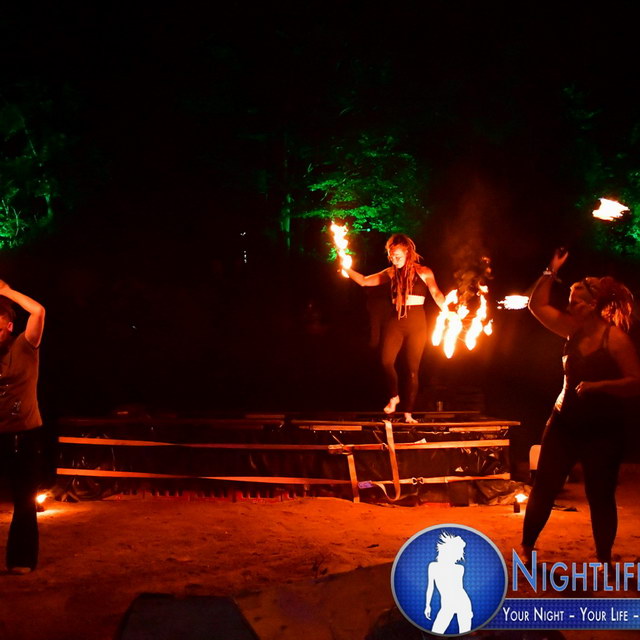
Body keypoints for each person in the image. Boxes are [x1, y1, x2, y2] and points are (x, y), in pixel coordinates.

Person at [521, 249, 640, 567]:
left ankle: (604, 557)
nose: (569, 305)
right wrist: (550, 269)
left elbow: (636, 381)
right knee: (544, 488)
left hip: (603, 430)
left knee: (600, 495)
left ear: (591, 305)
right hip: (563, 422)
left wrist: (600, 386)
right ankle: (527, 547)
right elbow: (536, 306)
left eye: (575, 301)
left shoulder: (615, 339)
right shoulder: (571, 329)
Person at [343, 233, 445, 423]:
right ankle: (394, 396)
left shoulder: (424, 271)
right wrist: (346, 268)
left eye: (398, 256)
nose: (394, 260)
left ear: (407, 253)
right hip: (395, 322)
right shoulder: (390, 273)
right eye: (392, 256)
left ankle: (408, 413)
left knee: (412, 370)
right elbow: (364, 280)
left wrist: (448, 311)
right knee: (385, 361)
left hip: (417, 323)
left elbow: (436, 294)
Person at [0, 280, 45, 575]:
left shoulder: (25, 346)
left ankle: (21, 559)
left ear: (9, 327)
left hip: (24, 434)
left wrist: (6, 292)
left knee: (24, 500)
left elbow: (38, 311)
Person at [424, 532, 473, 634]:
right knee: (437, 631)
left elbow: (459, 588)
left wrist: (468, 610)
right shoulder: (433, 566)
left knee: (464, 633)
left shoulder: (459, 568)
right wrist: (427, 605)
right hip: (447, 605)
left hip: (462, 603)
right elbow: (430, 587)